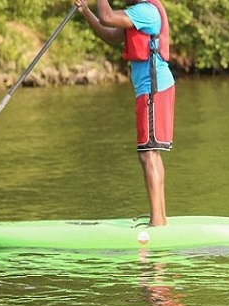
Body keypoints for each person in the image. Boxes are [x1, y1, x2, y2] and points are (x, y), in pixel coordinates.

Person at [74, 0, 175, 226]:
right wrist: (87, 12)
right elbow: (111, 35)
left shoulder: (145, 11)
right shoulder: (137, 15)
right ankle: (160, 218)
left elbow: (108, 17)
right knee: (151, 153)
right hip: (150, 89)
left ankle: (157, 221)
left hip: (154, 88)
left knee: (148, 154)